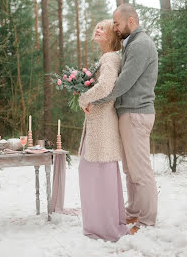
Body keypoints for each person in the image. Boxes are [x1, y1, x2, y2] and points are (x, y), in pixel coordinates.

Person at [84, 4, 158, 235]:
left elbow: (124, 82)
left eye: (117, 23)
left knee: (140, 170)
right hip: (129, 112)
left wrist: (94, 100)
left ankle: (147, 220)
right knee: (130, 169)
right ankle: (134, 210)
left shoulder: (141, 44)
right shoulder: (132, 45)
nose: (115, 28)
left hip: (136, 112)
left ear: (131, 22)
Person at [77, 19, 130, 242]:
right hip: (99, 120)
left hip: (102, 122)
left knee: (98, 174)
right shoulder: (107, 58)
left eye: (102, 28)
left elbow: (107, 87)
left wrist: (83, 97)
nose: (97, 29)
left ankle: (105, 227)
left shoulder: (109, 58)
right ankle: (103, 223)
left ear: (110, 35)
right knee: (96, 174)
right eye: (96, 27)